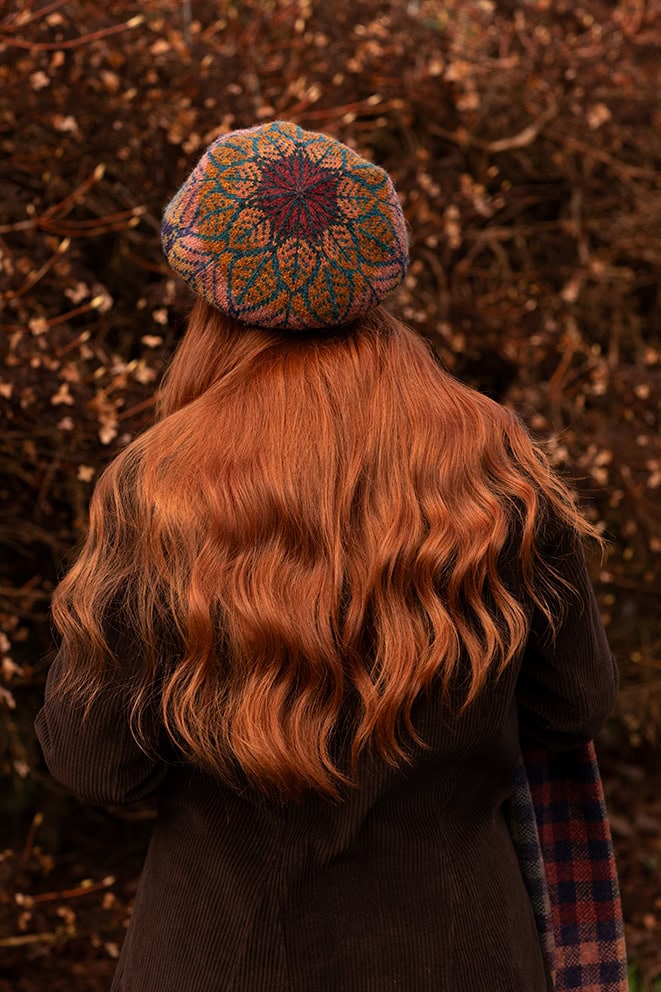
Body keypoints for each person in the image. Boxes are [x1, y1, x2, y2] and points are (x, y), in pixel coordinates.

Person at [35, 121, 621, 992]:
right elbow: (573, 706)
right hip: (463, 957)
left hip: (219, 962)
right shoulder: (493, 462)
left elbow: (96, 764)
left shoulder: (157, 486)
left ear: (207, 287)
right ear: (377, 268)